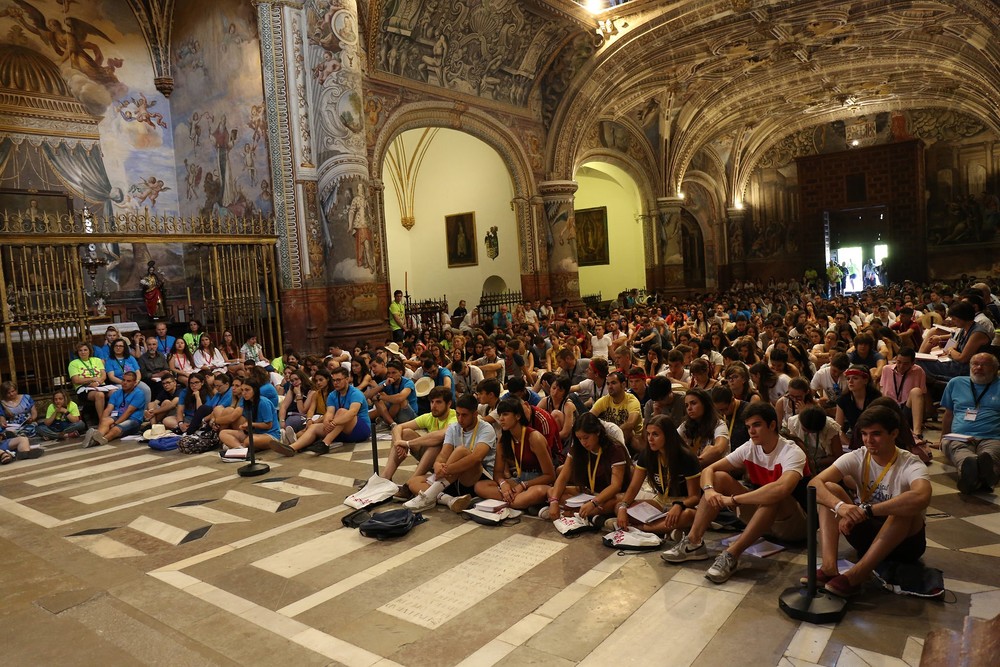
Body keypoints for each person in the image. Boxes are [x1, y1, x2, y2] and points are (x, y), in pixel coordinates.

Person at [662, 402, 808, 584]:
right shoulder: (751, 447)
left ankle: (732, 554)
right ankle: (693, 542)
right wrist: (709, 491)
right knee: (720, 477)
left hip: (796, 524)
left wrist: (733, 500)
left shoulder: (791, 452)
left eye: (757, 425)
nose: (751, 431)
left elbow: (781, 489)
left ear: (772, 425)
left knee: (773, 495)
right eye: (748, 427)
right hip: (765, 519)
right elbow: (709, 470)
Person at [809, 405, 931, 597]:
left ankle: (857, 575)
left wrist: (867, 510)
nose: (868, 440)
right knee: (829, 489)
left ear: (894, 434)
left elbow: (922, 497)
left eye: (876, 434)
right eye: (864, 434)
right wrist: (840, 507)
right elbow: (814, 484)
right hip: (866, 532)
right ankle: (829, 567)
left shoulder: (910, 463)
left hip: (905, 543)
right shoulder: (858, 456)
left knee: (904, 508)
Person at [404, 393, 497, 512]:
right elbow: (443, 455)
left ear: (475, 414)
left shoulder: (486, 428)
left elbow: (476, 458)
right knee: (413, 482)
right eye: (458, 414)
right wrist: (438, 465)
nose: (460, 419)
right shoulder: (454, 427)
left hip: (477, 477)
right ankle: (450, 500)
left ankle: (428, 497)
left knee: (461, 451)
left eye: (464, 415)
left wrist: (446, 469)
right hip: (452, 477)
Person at [616, 415, 700, 535]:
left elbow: (695, 497)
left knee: (688, 516)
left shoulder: (687, 457)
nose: (650, 439)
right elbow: (634, 487)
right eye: (648, 434)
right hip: (660, 502)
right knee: (619, 505)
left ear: (668, 435)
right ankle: (667, 529)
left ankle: (642, 528)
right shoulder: (647, 454)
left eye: (655, 434)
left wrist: (679, 505)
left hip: (683, 504)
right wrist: (623, 507)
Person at [541, 412, 632, 521]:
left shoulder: (615, 449)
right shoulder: (578, 446)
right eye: (579, 438)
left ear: (597, 432)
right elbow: (564, 476)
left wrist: (594, 502)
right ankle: (589, 515)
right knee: (552, 492)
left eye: (586, 437)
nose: (583, 442)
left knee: (619, 500)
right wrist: (554, 501)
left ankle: (573, 512)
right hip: (588, 492)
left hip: (609, 495)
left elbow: (615, 486)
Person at [473, 397, 557, 510]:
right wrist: (503, 484)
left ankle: (514, 500)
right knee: (479, 486)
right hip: (519, 480)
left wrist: (523, 486)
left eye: (505, 414)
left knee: (534, 493)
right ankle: (518, 501)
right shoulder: (504, 439)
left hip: (538, 483)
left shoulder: (534, 437)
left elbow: (550, 476)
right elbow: (497, 473)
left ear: (518, 416)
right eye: (500, 415)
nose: (501, 419)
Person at [939, 353, 1000, 494]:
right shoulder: (956, 383)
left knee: (992, 454)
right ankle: (979, 473)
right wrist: (943, 437)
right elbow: (948, 414)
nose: (978, 367)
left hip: (993, 437)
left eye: (984, 364)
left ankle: (971, 476)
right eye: (975, 364)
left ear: (995, 368)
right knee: (959, 451)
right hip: (959, 436)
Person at [279, 366, 371, 456]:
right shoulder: (333, 395)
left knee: (342, 411)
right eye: (334, 380)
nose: (335, 383)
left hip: (359, 430)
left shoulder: (356, 393)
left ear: (347, 379)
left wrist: (333, 423)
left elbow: (352, 413)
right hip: (339, 430)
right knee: (313, 427)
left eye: (338, 380)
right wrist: (327, 422)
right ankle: (292, 448)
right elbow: (329, 412)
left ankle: (325, 443)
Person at [83, 371, 148, 448]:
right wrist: (102, 421)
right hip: (117, 416)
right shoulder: (116, 393)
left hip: (133, 419)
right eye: (123, 380)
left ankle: (98, 441)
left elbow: (129, 412)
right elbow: (108, 409)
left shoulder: (139, 394)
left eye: (128, 381)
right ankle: (97, 435)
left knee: (116, 429)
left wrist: (116, 423)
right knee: (105, 421)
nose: (124, 383)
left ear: (134, 383)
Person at [219, 380, 283, 456]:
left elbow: (268, 425)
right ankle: (241, 449)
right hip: (254, 433)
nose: (244, 393)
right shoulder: (246, 402)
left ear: (255, 390)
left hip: (270, 434)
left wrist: (251, 424)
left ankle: (239, 447)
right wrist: (245, 427)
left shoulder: (263, 402)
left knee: (248, 441)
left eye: (247, 390)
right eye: (242, 390)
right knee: (223, 433)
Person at [878, 347, 927, 439]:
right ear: (895, 359)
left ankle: (917, 433)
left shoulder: (918, 371)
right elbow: (882, 390)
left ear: (912, 363)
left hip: (907, 407)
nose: (901, 366)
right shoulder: (886, 369)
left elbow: (922, 394)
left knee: (916, 391)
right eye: (899, 362)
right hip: (890, 408)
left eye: (905, 364)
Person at [678, 388, 730, 466]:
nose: (689, 408)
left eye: (693, 403)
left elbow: (718, 449)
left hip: (715, 470)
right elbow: (671, 441)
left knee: (710, 449)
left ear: (705, 404)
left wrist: (694, 465)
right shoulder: (685, 425)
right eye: (686, 405)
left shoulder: (719, 424)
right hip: (694, 469)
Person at [836, 364, 882, 451]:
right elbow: (838, 428)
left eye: (855, 378)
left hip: (875, 435)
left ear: (865, 380)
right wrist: (849, 443)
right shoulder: (843, 400)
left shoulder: (876, 398)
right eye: (848, 379)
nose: (850, 381)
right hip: (854, 435)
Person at [370, 359, 418, 428]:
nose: (390, 376)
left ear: (400, 373)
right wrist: (383, 386)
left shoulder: (408, 382)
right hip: (393, 415)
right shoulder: (387, 382)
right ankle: (391, 423)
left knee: (399, 400)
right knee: (376, 398)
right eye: (388, 373)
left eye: (393, 373)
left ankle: (385, 421)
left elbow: (400, 398)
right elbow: (369, 394)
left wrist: (381, 397)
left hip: (409, 415)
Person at [69, 342, 110, 419]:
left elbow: (103, 375)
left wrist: (97, 382)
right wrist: (92, 379)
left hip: (100, 385)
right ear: (77, 352)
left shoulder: (97, 360)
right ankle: (102, 419)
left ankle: (115, 416)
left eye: (85, 350)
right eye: (80, 350)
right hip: (84, 388)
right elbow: (76, 380)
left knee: (116, 393)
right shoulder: (73, 363)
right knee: (99, 395)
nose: (83, 352)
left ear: (90, 351)